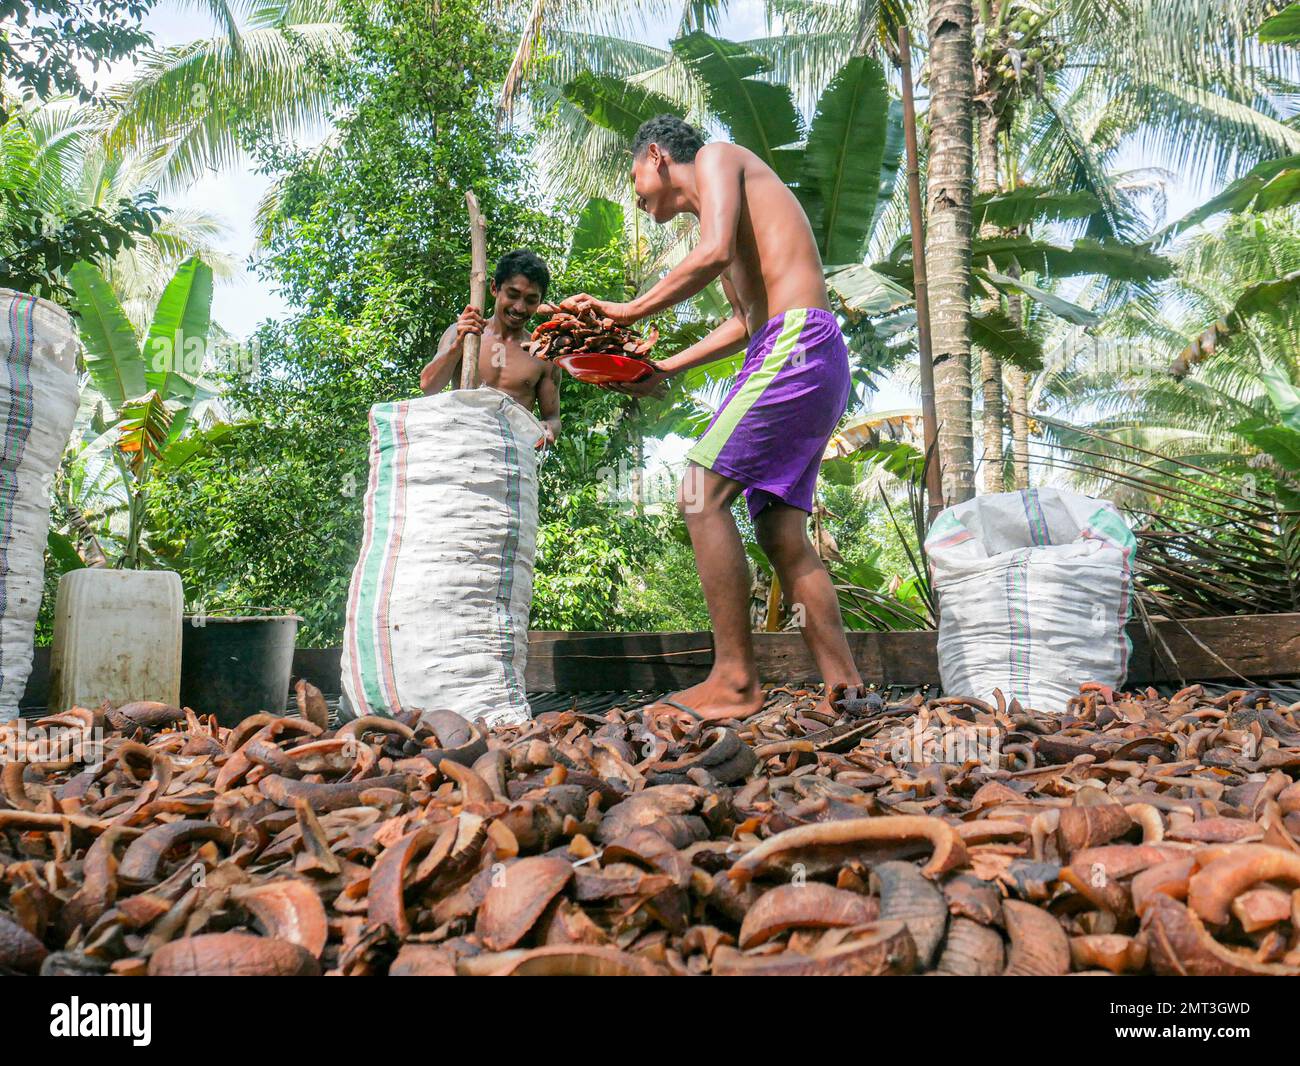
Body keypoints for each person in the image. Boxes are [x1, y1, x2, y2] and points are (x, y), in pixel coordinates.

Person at [562, 115, 863, 723]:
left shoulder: (721, 156)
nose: (638, 195)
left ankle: (734, 680)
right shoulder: (718, 221)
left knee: (700, 492)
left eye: (635, 179)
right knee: (781, 534)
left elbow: (717, 253)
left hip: (796, 345)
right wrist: (665, 367)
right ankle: (848, 688)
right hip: (797, 350)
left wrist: (624, 312)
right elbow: (746, 321)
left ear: (657, 155)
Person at [420, 248, 561, 447]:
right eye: (513, 295)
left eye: (531, 300)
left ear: (540, 302)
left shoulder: (543, 354)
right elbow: (428, 386)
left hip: (512, 458)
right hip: (460, 449)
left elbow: (553, 418)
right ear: (494, 288)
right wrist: (458, 345)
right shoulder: (462, 334)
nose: (519, 308)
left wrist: (547, 429)